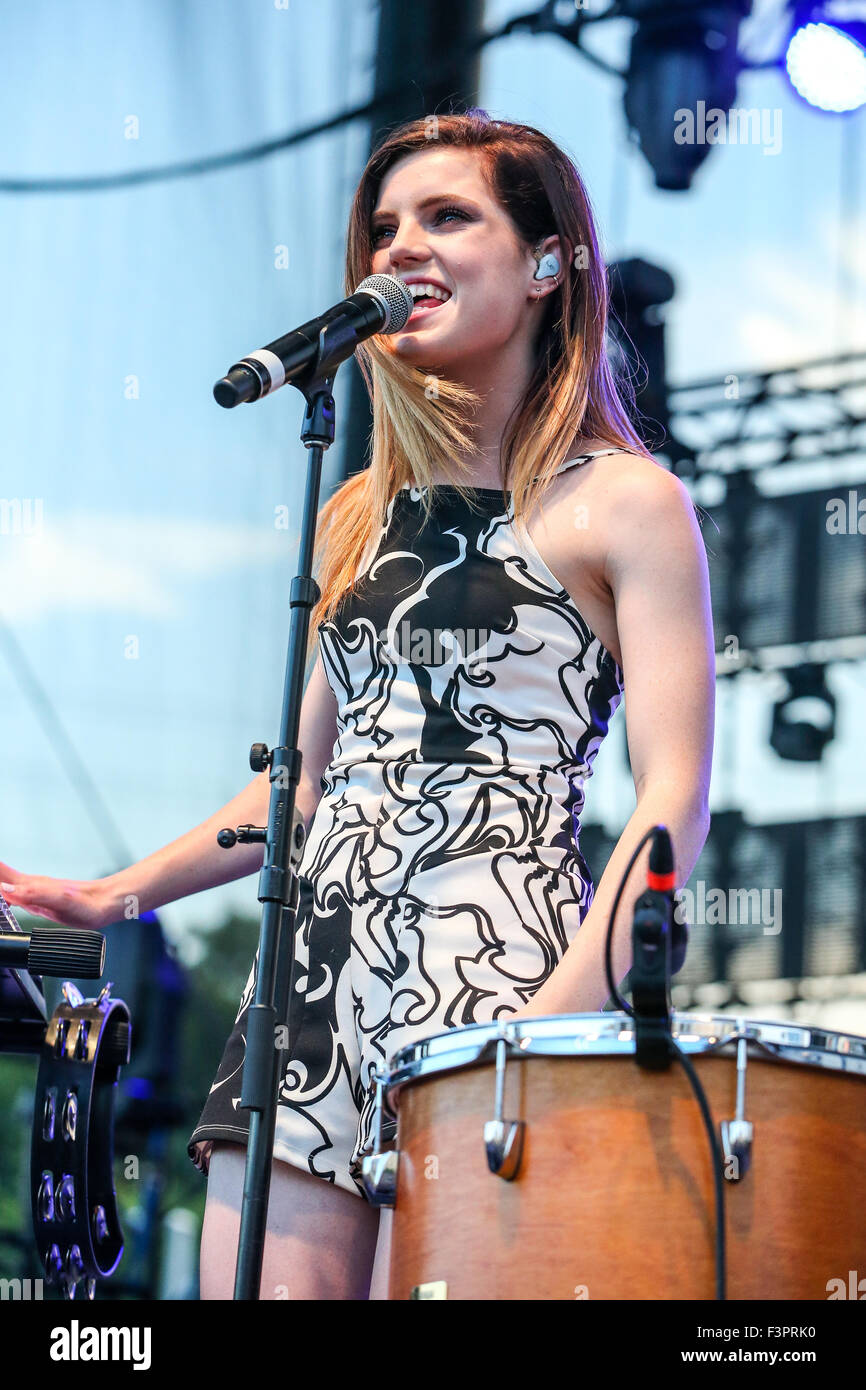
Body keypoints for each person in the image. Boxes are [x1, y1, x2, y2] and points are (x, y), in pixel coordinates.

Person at [0, 110, 714, 1300]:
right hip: (312, 985)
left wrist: (542, 1031)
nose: (400, 248)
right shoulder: (356, 518)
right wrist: (112, 893)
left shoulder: (625, 503)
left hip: (500, 975)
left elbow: (672, 799)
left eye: (447, 217)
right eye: (384, 227)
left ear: (547, 263)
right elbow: (301, 785)